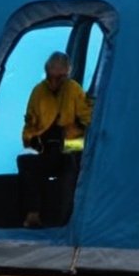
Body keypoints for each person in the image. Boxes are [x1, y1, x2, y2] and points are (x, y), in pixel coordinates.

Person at [17, 52, 91, 229]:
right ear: (47, 70)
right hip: (48, 149)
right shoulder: (38, 92)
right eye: (53, 71)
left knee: (69, 164)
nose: (57, 77)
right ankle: (33, 214)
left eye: (61, 73)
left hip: (70, 147)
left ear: (67, 72)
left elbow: (87, 117)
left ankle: (65, 220)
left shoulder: (74, 89)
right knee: (26, 163)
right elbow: (30, 124)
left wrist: (74, 130)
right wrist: (33, 140)